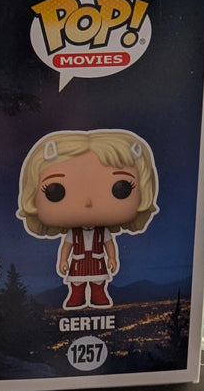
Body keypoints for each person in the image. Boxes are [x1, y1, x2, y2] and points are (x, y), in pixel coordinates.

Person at [17, 129, 159, 310]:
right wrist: (63, 260)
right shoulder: (74, 233)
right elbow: (67, 247)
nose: (88, 202)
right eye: (55, 191)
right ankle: (76, 297)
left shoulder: (103, 231)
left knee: (98, 284)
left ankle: (99, 296)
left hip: (97, 262)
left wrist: (112, 258)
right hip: (79, 263)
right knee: (77, 285)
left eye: (121, 188)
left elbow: (109, 244)